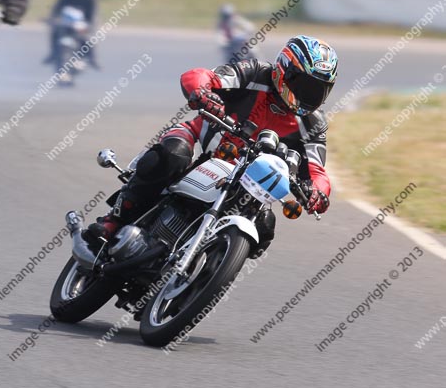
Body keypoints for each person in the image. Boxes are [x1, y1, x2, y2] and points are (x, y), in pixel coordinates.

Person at [84, 35, 338, 253]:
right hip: (201, 146)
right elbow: (200, 76)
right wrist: (203, 92)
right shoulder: (255, 72)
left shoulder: (313, 123)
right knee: (172, 155)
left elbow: (318, 172)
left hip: (244, 180)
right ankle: (113, 221)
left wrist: (318, 193)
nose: (310, 96)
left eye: (319, 90)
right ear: (286, 71)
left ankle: (204, 275)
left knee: (264, 227)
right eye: (306, 86)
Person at [44, 0, 98, 68]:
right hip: (66, 23)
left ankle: (92, 59)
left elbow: (92, 16)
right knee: (55, 33)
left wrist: (88, 25)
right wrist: (53, 19)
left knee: (88, 39)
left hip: (82, 24)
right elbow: (56, 9)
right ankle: (53, 54)